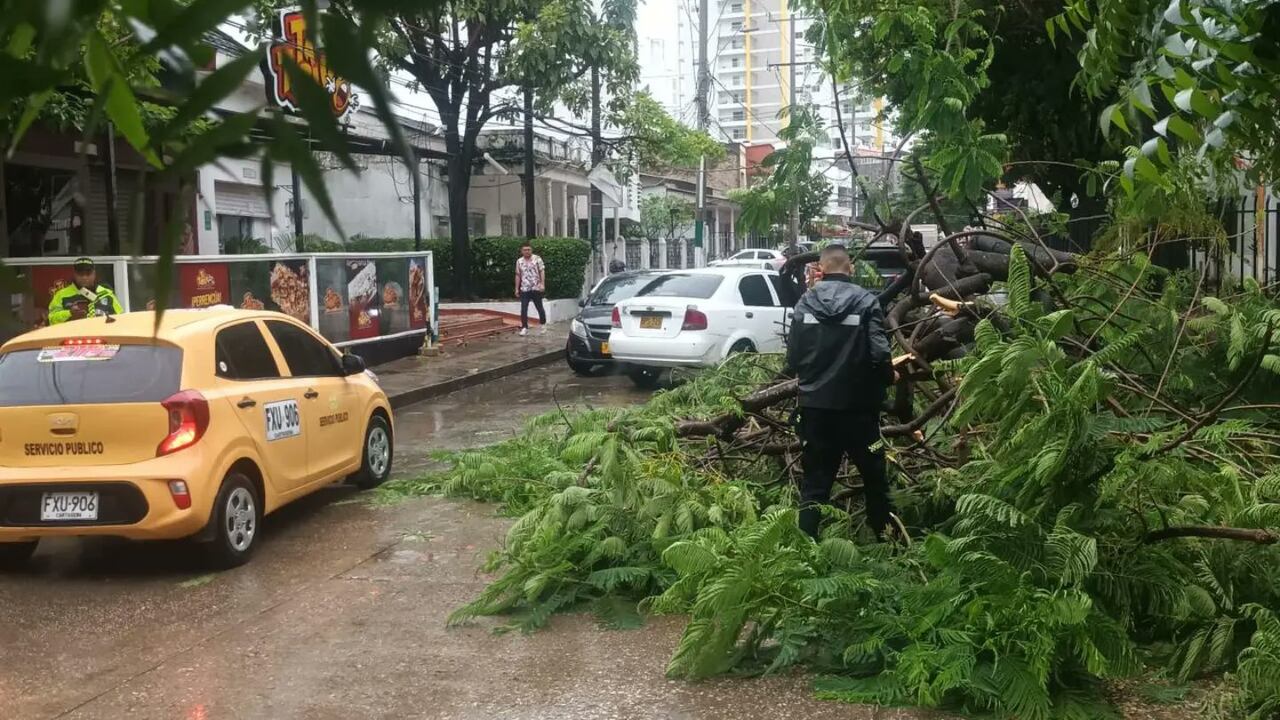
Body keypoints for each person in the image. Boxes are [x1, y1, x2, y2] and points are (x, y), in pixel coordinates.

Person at [785, 244, 897, 540]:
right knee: (875, 480)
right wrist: (889, 380)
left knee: (814, 486)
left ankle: (804, 553)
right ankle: (888, 546)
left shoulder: (806, 303)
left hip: (815, 412)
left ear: (820, 270)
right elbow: (879, 354)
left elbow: (793, 358)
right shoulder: (866, 301)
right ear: (851, 268)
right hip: (860, 413)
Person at [48, 257, 123, 325]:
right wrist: (70, 313)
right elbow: (51, 319)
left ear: (94, 274)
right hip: (74, 337)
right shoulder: (61, 295)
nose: (84, 277)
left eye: (88, 273)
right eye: (80, 274)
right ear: (74, 274)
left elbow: (121, 318)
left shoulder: (106, 293)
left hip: (103, 336)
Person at [514, 242, 546, 336]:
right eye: (525, 250)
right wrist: (516, 288)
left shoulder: (537, 259)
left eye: (528, 249)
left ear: (531, 250)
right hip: (525, 288)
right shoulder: (519, 261)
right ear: (522, 251)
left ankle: (543, 324)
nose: (527, 251)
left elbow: (542, 271)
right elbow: (518, 275)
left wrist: (542, 284)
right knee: (523, 308)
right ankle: (524, 327)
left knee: (539, 307)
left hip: (536, 287)